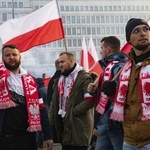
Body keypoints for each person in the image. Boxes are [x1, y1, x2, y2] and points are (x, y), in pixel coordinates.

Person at [101, 18, 150, 150]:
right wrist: (112, 94)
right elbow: (125, 103)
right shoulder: (126, 66)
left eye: (146, 29)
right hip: (129, 140)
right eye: (136, 30)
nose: (143, 33)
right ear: (129, 39)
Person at [0, 44, 53, 150]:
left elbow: (41, 109)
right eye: (7, 55)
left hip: (26, 138)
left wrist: (48, 135)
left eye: (14, 54)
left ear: (20, 57)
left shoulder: (31, 80)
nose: (11, 57)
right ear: (2, 58)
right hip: (3, 139)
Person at [49, 51, 95, 150]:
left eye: (62, 62)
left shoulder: (84, 78)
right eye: (59, 62)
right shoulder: (59, 80)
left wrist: (73, 112)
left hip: (79, 127)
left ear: (71, 61)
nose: (60, 65)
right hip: (64, 128)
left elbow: (90, 100)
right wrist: (51, 122)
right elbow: (54, 102)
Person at [88, 36, 127, 150]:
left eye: (102, 48)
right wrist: (95, 91)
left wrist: (102, 126)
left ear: (108, 49)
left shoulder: (118, 66)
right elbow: (104, 95)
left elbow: (117, 99)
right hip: (105, 124)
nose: (100, 51)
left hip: (114, 125)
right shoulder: (108, 67)